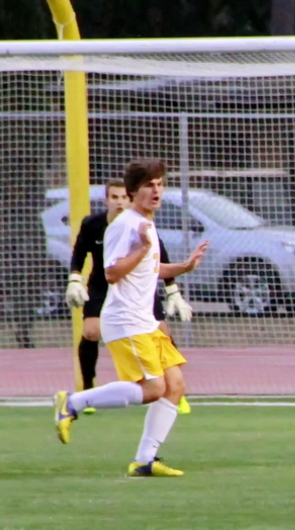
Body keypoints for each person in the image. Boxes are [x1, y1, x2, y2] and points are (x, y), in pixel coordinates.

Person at [54, 159, 208, 477]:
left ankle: (145, 460)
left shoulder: (146, 224)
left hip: (146, 321)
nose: (156, 190)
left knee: (174, 385)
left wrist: (183, 267)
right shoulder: (125, 225)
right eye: (149, 185)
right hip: (126, 321)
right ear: (133, 192)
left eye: (160, 184)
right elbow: (111, 273)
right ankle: (73, 402)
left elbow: (151, 269)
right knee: (153, 389)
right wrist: (141, 249)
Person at [64, 178, 193, 415]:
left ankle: (174, 392)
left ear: (130, 197)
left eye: (124, 197)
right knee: (91, 332)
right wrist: (74, 279)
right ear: (106, 200)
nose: (120, 202)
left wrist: (173, 290)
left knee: (164, 332)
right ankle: (86, 389)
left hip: (139, 287)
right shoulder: (99, 224)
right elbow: (87, 256)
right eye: (114, 197)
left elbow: (158, 259)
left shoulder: (143, 224)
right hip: (106, 289)